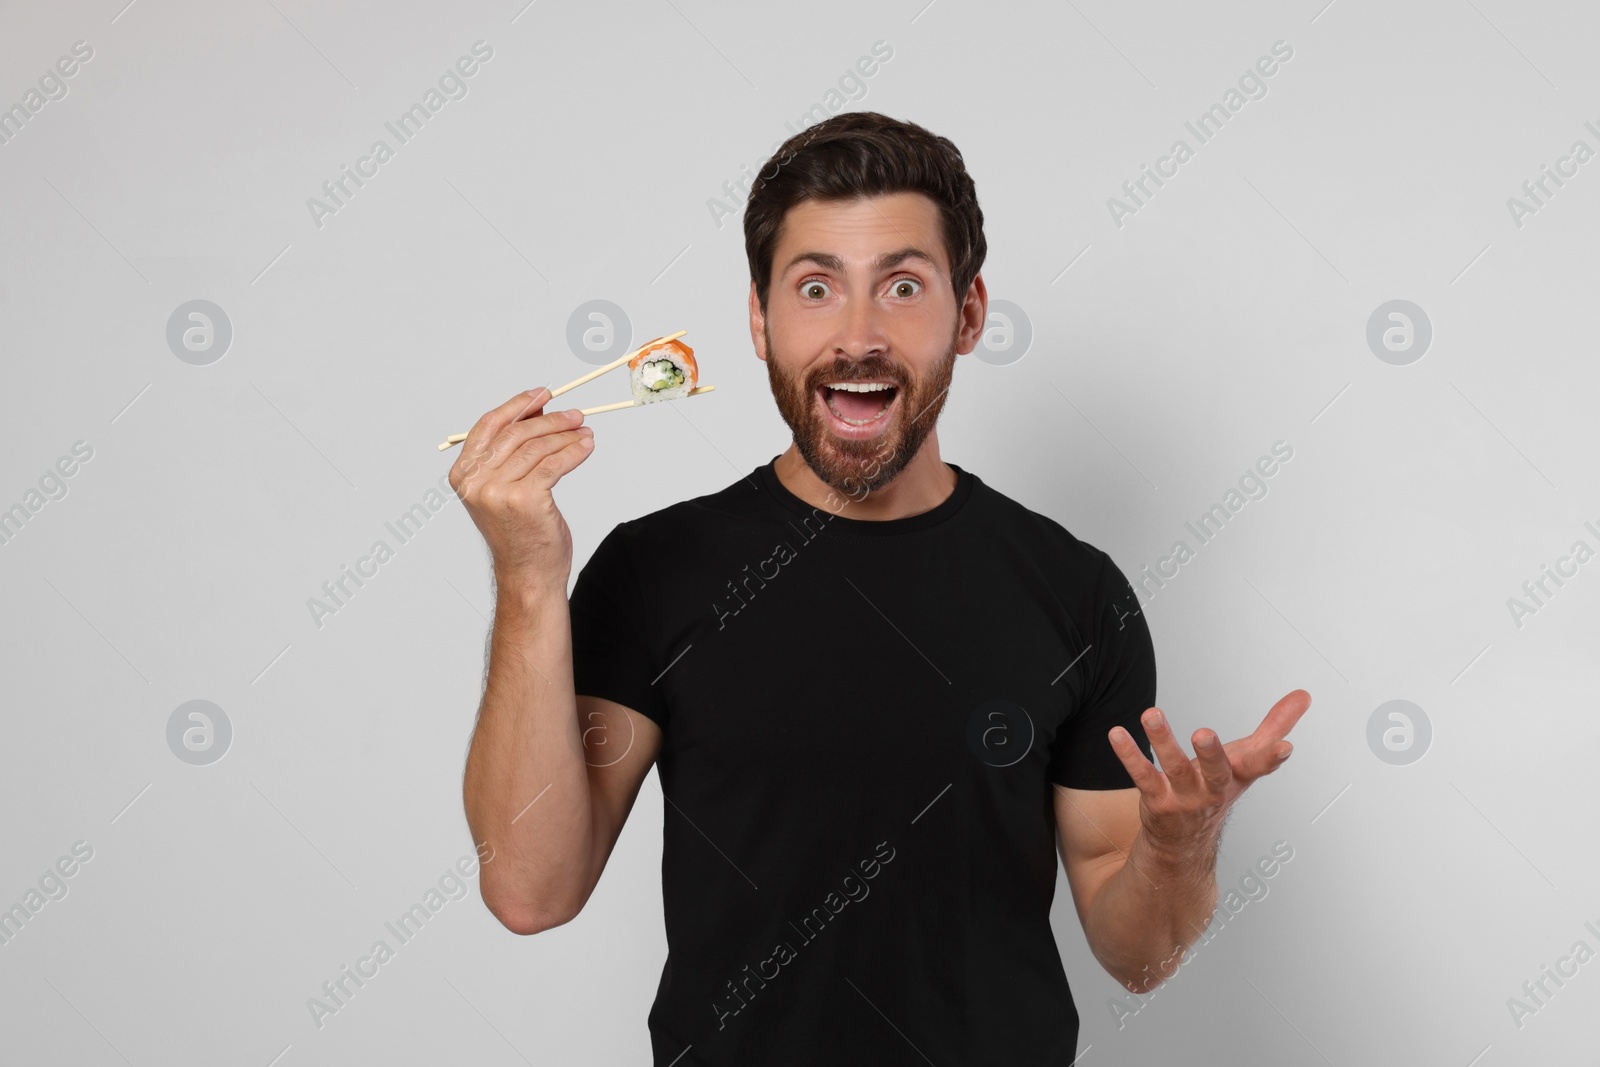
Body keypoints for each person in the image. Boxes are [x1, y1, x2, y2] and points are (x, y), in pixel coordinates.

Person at [452, 111, 1311, 1065]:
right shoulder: (654, 572)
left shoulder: (1076, 593)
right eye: (815, 287)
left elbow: (1138, 958)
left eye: (903, 285)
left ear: (970, 313)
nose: (858, 335)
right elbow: (531, 890)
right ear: (758, 318)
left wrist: (1178, 847)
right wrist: (529, 577)